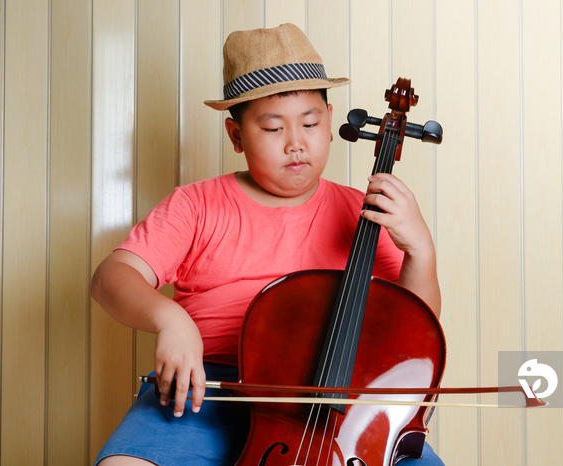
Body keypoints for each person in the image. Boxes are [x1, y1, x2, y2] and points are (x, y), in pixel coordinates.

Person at [91, 23, 443, 466]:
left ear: (331, 123)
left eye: (310, 123)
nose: (296, 144)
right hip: (207, 389)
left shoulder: (366, 212)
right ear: (236, 136)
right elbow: (110, 278)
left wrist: (420, 250)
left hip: (337, 403)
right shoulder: (195, 205)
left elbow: (415, 326)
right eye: (273, 128)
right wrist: (171, 320)